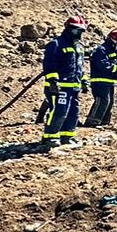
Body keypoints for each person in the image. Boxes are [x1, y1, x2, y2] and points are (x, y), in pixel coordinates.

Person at [40, 14, 88, 149]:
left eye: (80, 31)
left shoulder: (79, 47)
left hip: (74, 87)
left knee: (74, 112)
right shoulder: (56, 44)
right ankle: (50, 136)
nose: (77, 33)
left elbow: (80, 66)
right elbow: (49, 64)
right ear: (67, 28)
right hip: (59, 87)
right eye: (75, 30)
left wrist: (83, 80)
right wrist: (53, 80)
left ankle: (66, 136)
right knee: (59, 111)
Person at [84, 29, 117, 127]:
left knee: (109, 101)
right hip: (99, 81)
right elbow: (103, 65)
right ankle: (92, 122)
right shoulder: (101, 50)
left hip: (109, 82)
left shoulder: (113, 51)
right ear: (114, 40)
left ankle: (104, 121)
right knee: (102, 100)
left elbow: (114, 61)